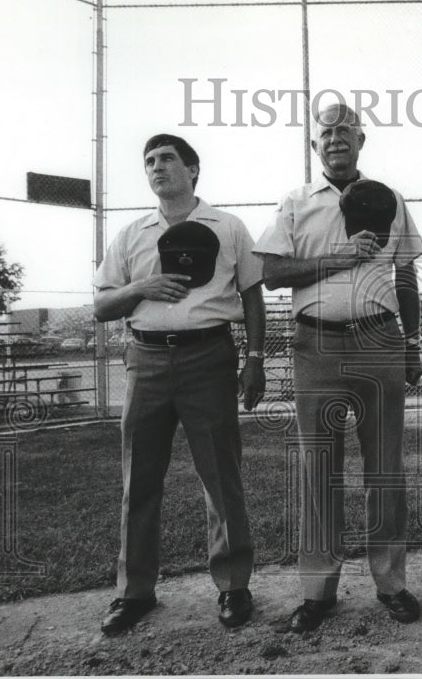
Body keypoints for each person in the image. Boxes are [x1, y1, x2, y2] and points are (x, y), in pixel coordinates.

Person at [253, 103, 422, 633]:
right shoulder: (296, 201)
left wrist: (414, 342)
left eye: (344, 130)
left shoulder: (388, 198)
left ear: (361, 139)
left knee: (385, 468)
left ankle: (391, 584)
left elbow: (406, 274)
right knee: (318, 470)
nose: (335, 138)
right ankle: (318, 589)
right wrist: (340, 258)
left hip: (379, 339)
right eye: (326, 132)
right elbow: (273, 273)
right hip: (317, 345)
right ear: (315, 145)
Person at [93, 133, 266, 635]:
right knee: (139, 479)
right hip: (145, 358)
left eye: (167, 158)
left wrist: (254, 359)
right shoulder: (131, 234)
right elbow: (102, 306)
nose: (156, 167)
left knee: (220, 476)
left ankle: (234, 586)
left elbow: (252, 296)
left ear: (193, 170)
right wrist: (140, 288)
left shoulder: (228, 226)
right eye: (149, 161)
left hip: (209, 356)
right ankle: (134, 593)